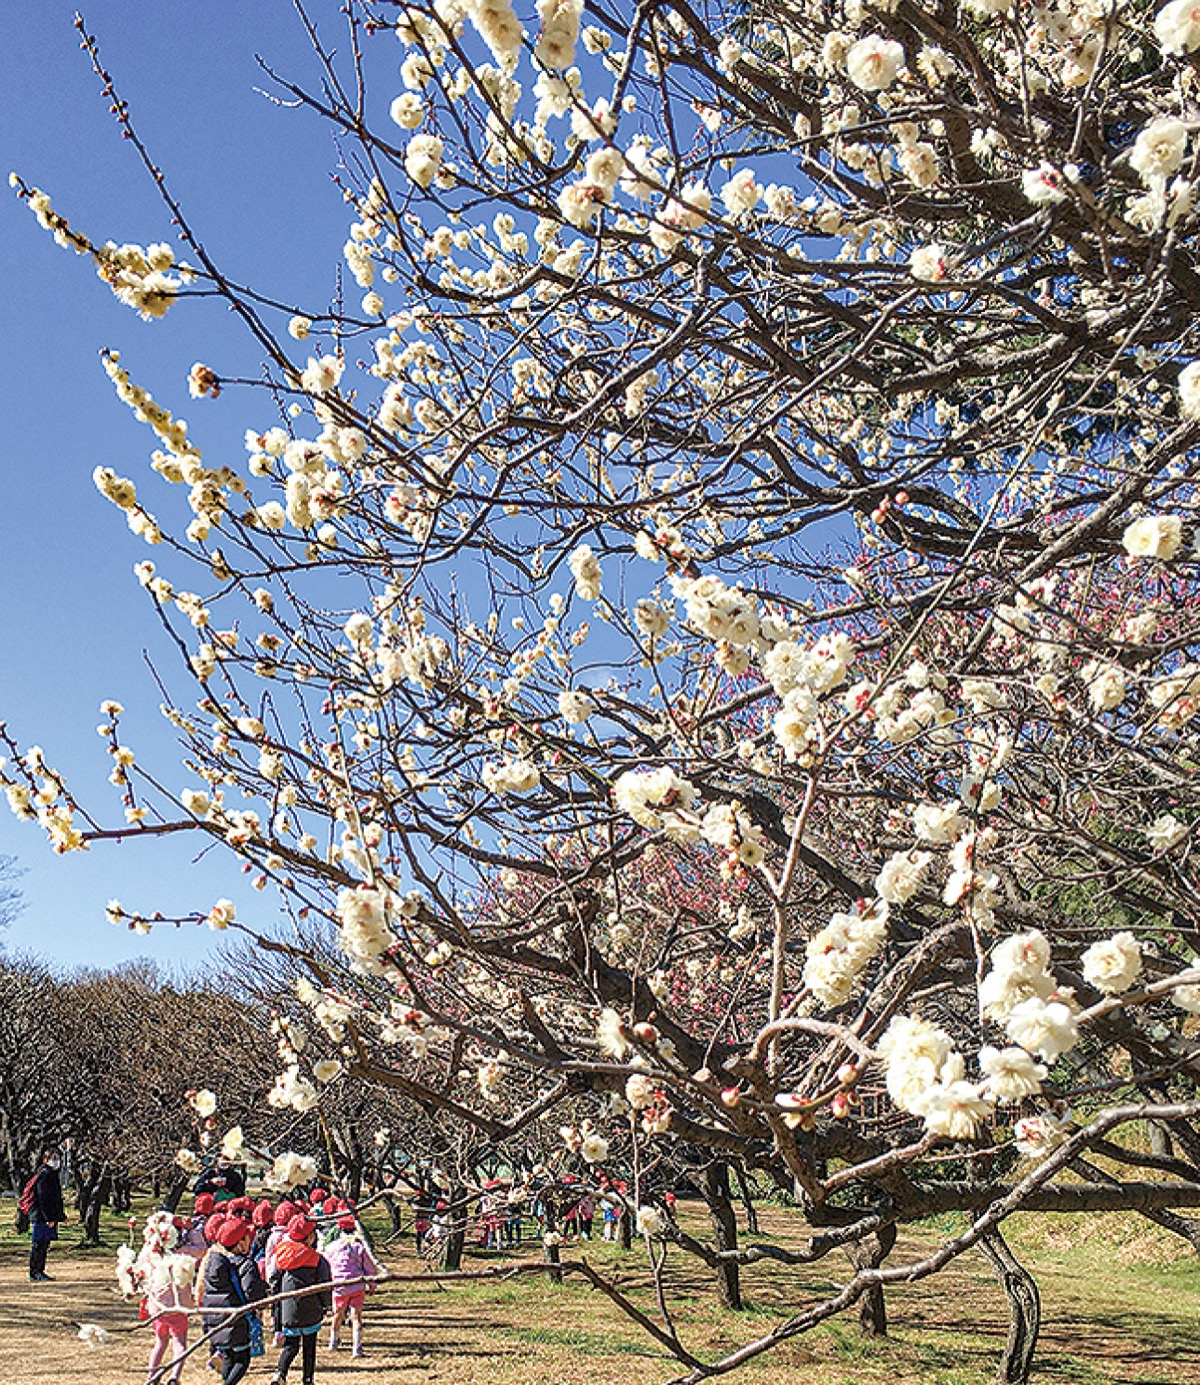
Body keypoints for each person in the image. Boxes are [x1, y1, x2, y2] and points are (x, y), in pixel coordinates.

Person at [198, 1216, 267, 1384]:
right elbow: (252, 1292)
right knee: (242, 1359)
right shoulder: (245, 1264)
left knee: (228, 1356)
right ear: (240, 1242)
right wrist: (263, 1290)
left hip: (215, 1317)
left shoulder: (214, 1262)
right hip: (236, 1318)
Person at [269, 1214, 332, 1385]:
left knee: (291, 1346)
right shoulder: (318, 1260)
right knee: (309, 1348)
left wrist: (277, 1304)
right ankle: (308, 1379)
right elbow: (325, 1286)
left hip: (288, 1309)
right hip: (311, 1309)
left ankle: (280, 1373)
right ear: (310, 1237)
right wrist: (326, 1305)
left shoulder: (280, 1255)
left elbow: (274, 1280)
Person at [323, 1214, 380, 1358]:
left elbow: (326, 1265)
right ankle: (357, 1347)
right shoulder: (360, 1247)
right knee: (356, 1316)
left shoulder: (331, 1247)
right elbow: (370, 1268)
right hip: (357, 1285)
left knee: (337, 1314)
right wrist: (372, 1284)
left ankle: (333, 1341)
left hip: (339, 1285)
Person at [28, 1146, 66, 1282]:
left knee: (44, 1245)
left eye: (58, 1158)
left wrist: (61, 1216)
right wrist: (48, 1218)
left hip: (47, 1216)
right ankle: (34, 1272)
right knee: (39, 1244)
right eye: (53, 1158)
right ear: (45, 1159)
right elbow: (43, 1199)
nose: (57, 1161)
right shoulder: (45, 1175)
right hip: (41, 1216)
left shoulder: (52, 1174)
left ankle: (40, 1271)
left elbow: (56, 1198)